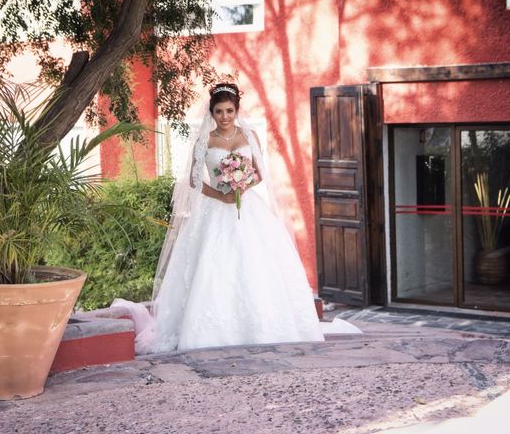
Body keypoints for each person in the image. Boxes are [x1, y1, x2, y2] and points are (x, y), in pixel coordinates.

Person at [114, 83, 358, 354]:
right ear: (212, 113)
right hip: (214, 209)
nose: (225, 116)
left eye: (229, 110)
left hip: (248, 208)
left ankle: (262, 325)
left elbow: (259, 172)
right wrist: (221, 195)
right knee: (213, 265)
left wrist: (241, 185)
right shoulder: (204, 141)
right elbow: (194, 181)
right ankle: (208, 331)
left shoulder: (250, 135)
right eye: (219, 111)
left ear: (237, 110)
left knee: (255, 262)